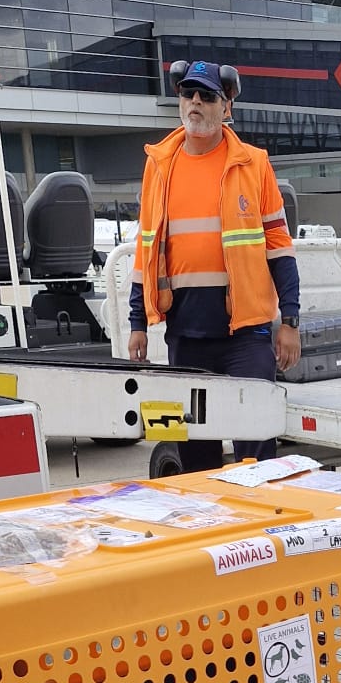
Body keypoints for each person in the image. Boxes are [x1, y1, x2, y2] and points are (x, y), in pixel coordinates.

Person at [129, 60, 301, 468]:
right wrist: (137, 323)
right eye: (188, 93)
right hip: (186, 336)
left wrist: (290, 323)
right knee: (196, 454)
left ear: (226, 108)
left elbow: (279, 247)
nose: (195, 102)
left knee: (256, 452)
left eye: (207, 96)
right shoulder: (159, 166)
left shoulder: (252, 164)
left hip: (245, 336)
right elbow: (146, 247)